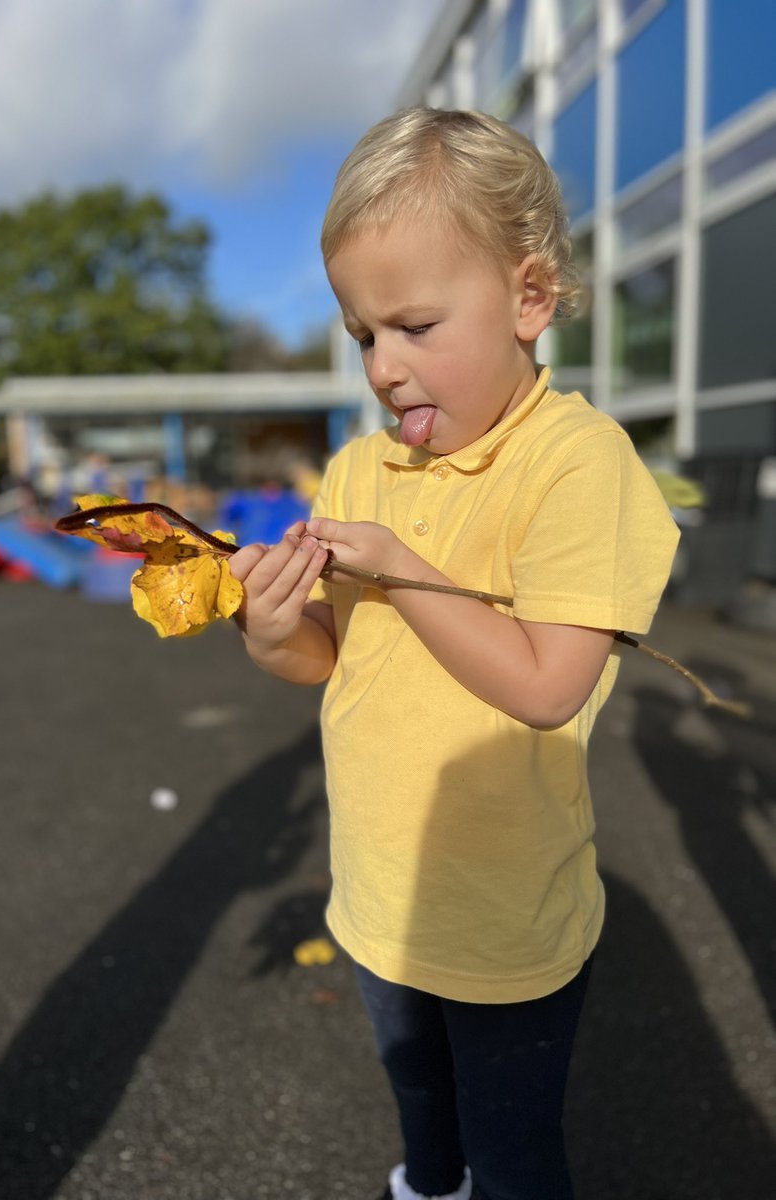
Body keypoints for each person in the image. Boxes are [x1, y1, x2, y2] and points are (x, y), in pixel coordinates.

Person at [228, 109, 679, 1200]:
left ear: (529, 298)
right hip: (381, 889)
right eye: (364, 335)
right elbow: (332, 660)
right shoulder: (357, 472)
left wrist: (398, 568)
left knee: (515, 1150)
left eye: (416, 325)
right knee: (421, 1109)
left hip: (507, 909)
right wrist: (274, 627)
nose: (385, 368)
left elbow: (545, 684)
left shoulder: (578, 464)